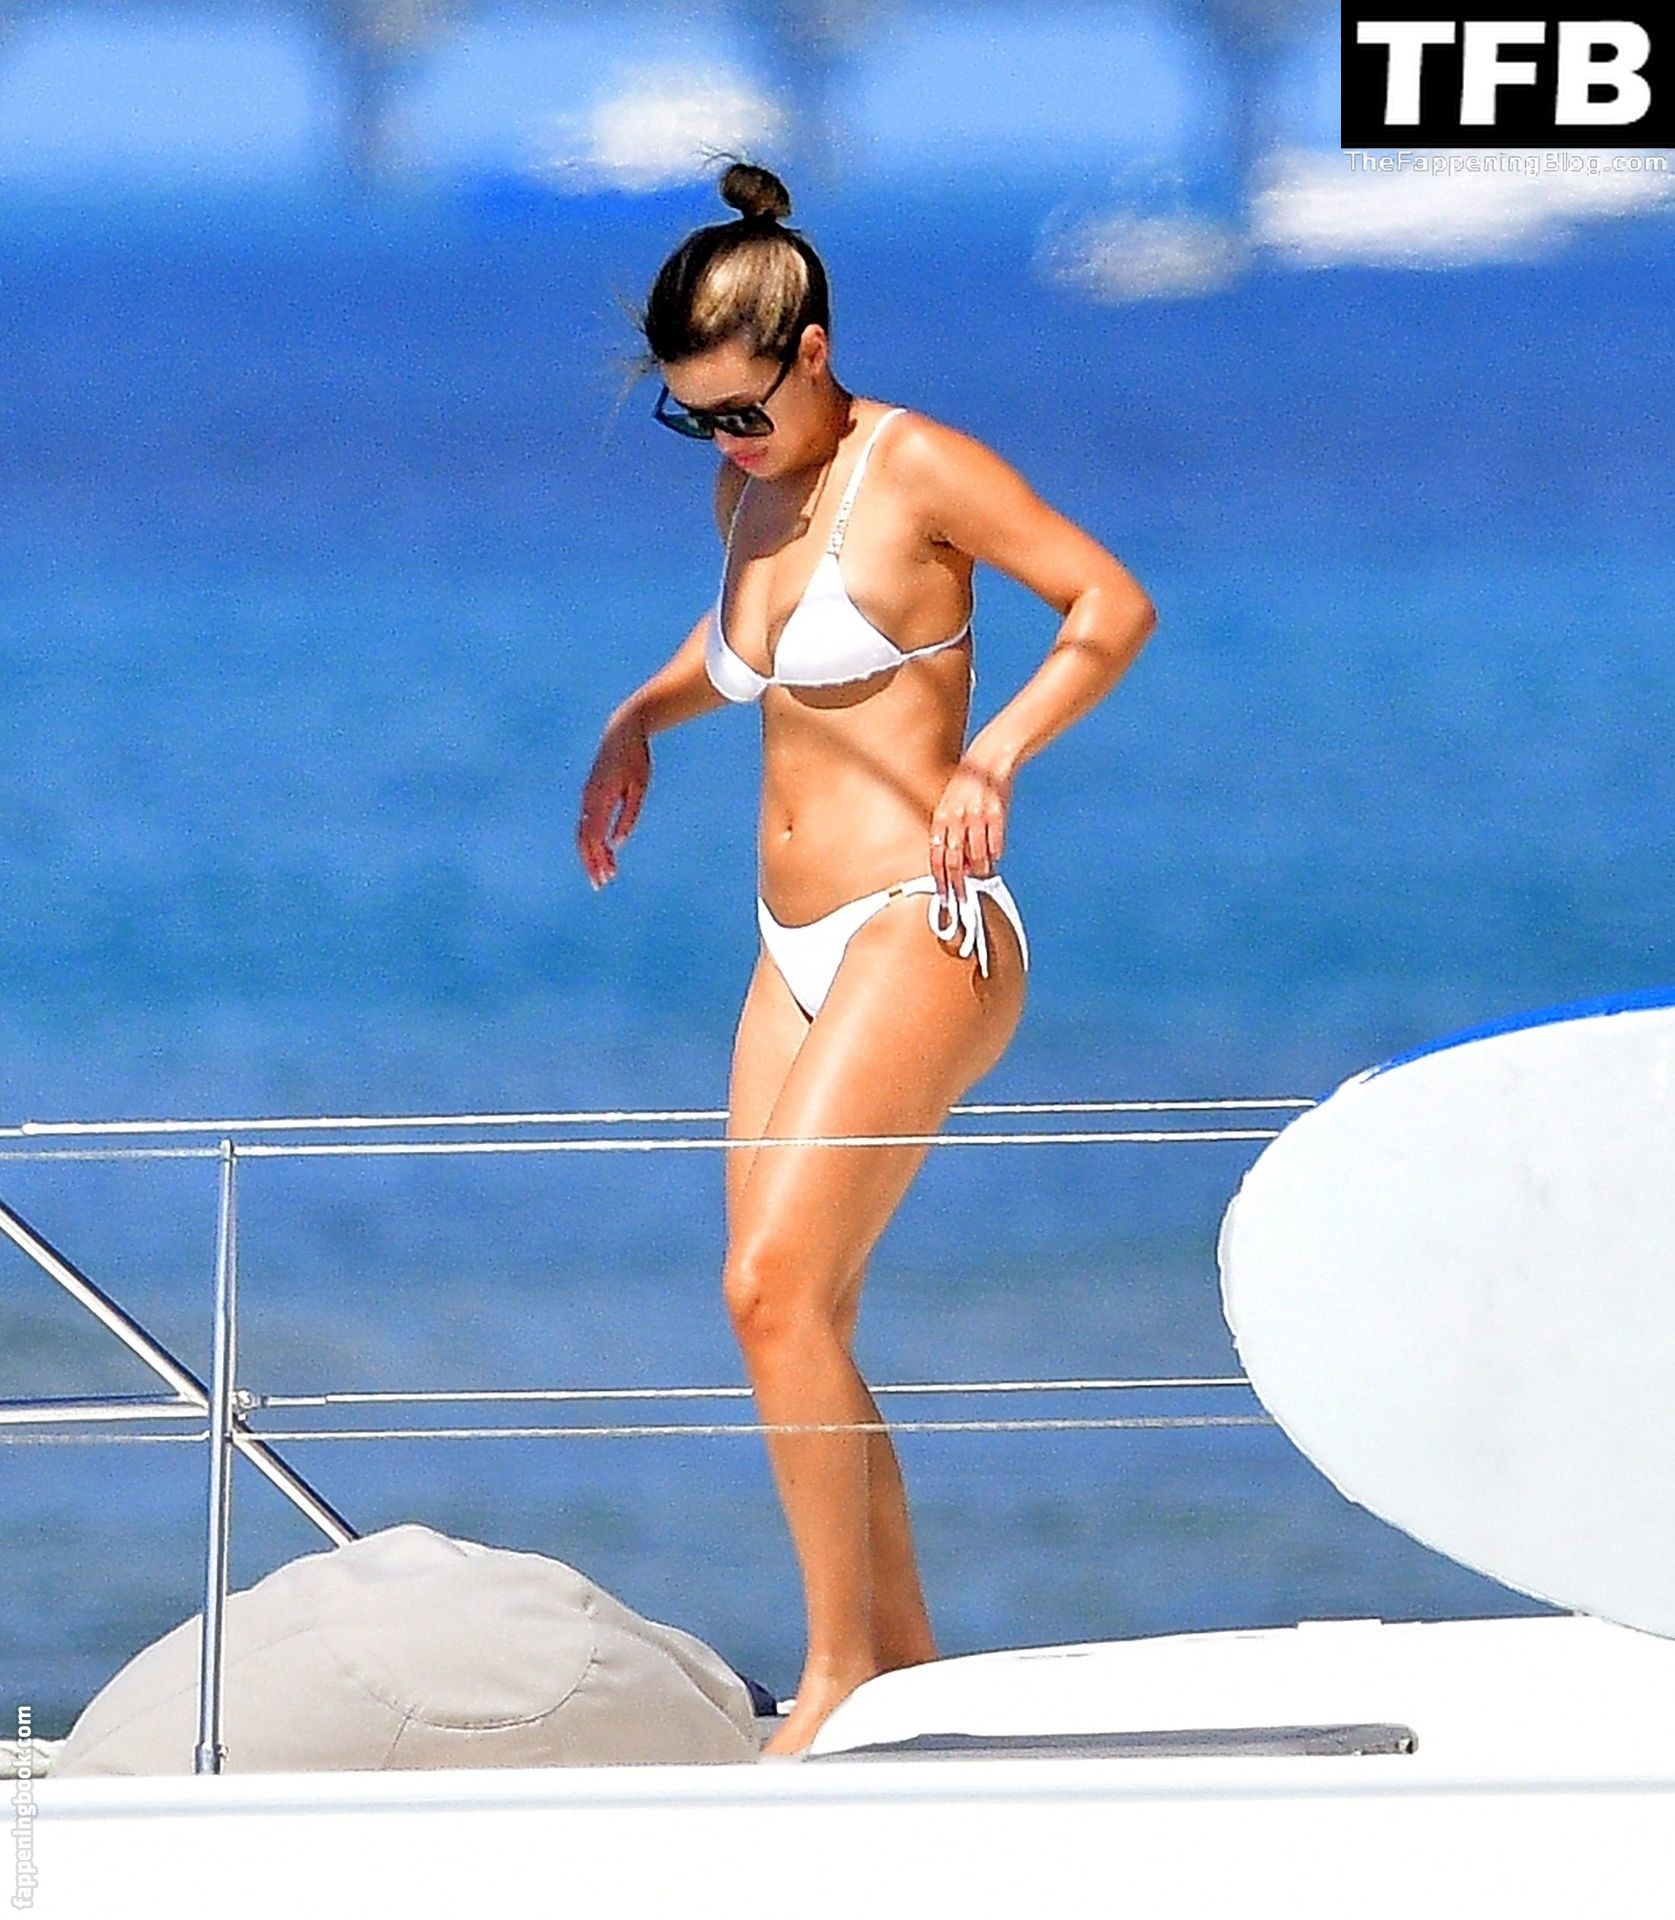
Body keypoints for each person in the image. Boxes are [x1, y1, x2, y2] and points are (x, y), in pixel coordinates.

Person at [576, 160, 1157, 1756]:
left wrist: (997, 754)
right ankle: (898, 1663)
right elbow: (743, 653)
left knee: (774, 1284)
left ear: (814, 352)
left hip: (924, 919)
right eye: (694, 418)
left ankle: (842, 1672)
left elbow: (1110, 603)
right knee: (780, 1307)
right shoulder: (749, 491)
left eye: (743, 408)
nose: (725, 440)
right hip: (787, 945)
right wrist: (638, 716)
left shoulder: (918, 467)